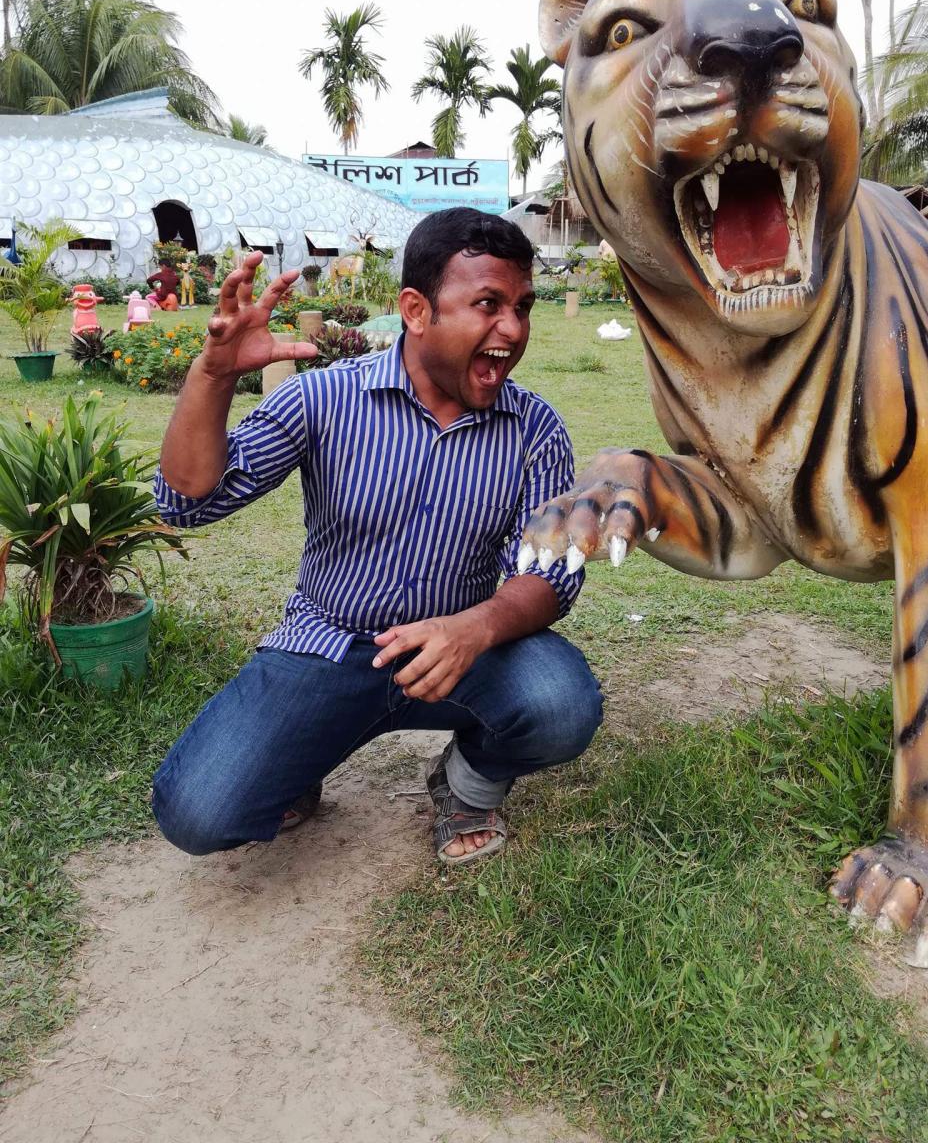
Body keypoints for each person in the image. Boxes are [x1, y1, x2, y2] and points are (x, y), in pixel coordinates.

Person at [151, 208, 602, 865]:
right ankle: (299, 760)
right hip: (328, 646)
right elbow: (187, 502)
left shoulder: (536, 429)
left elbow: (551, 571)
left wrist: (472, 630)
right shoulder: (321, 400)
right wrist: (213, 375)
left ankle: (466, 785)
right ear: (416, 310)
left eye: (523, 307)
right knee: (199, 812)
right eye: (488, 304)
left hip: (462, 649)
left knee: (561, 703)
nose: (513, 329)